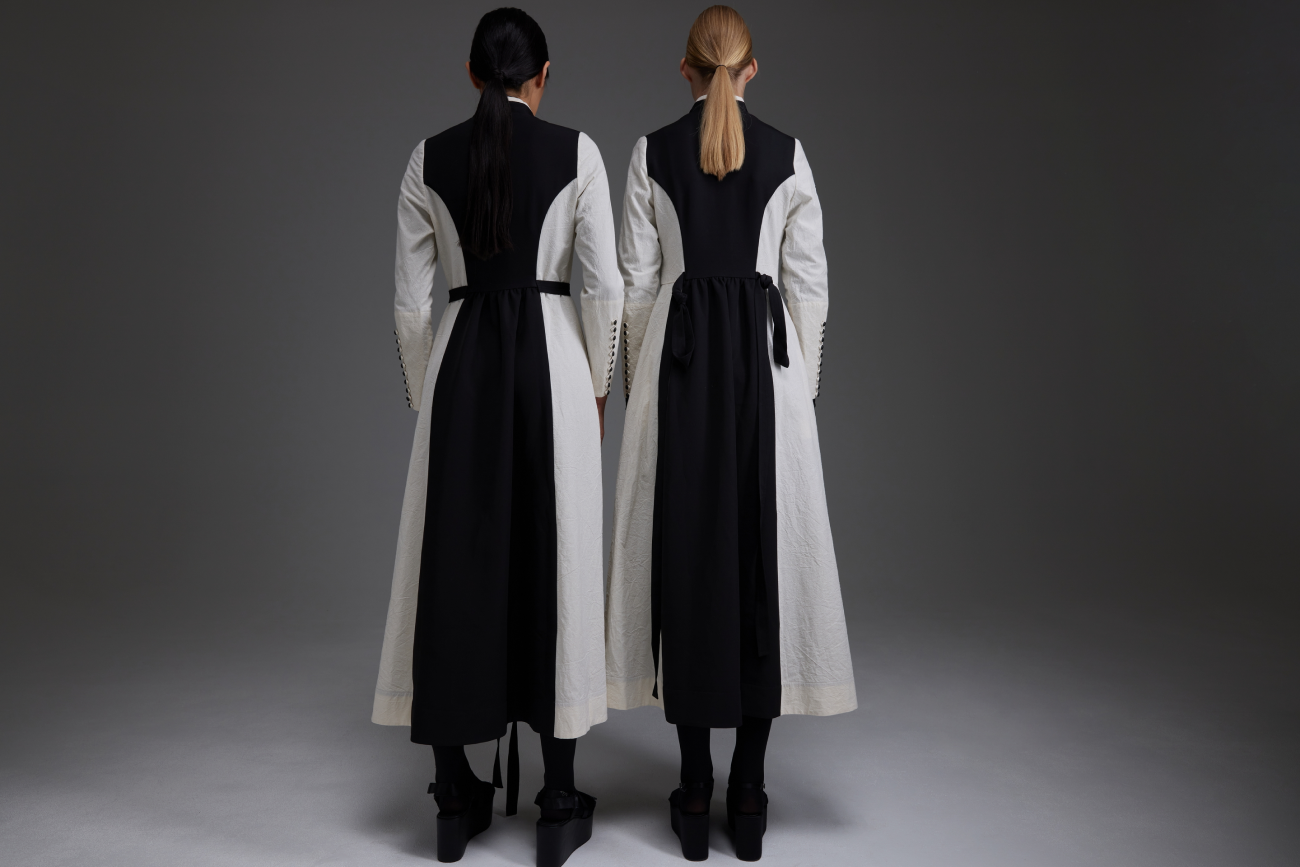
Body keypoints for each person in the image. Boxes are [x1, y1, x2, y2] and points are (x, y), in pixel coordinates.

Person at [606, 6, 857, 862]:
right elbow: (809, 287)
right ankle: (748, 789)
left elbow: (638, 289)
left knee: (687, 557)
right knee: (761, 565)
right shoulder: (789, 154)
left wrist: (642, 392)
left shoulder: (650, 153)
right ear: (753, 70)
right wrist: (799, 394)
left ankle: (692, 787)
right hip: (764, 375)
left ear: (684, 69)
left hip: (678, 374)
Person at [371, 8, 621, 865]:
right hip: (553, 362)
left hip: (463, 362)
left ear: (472, 74)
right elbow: (603, 291)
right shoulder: (579, 153)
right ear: (542, 76)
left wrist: (428, 391)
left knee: (453, 557)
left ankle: (453, 794)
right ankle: (559, 797)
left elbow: (411, 304)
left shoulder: (426, 158)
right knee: (559, 556)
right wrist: (598, 387)